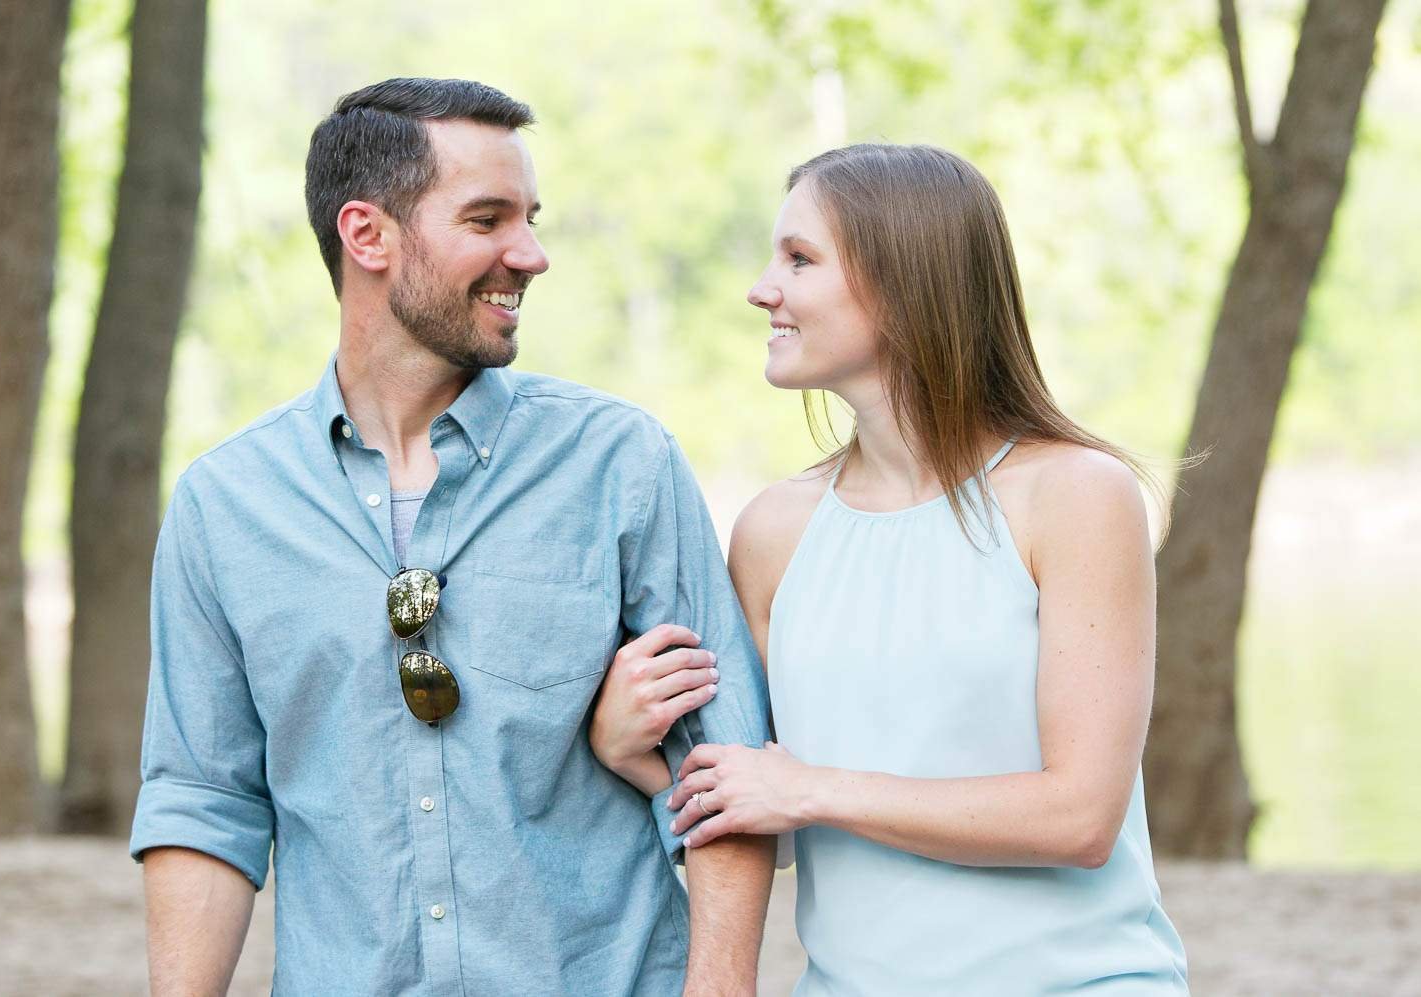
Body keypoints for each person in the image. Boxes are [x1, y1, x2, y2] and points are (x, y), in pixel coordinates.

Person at [130, 78, 777, 996]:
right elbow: (205, 803)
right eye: (487, 220)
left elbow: (729, 768)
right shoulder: (225, 504)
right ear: (368, 236)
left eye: (532, 218)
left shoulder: (619, 463)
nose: (533, 254)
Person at [590, 144, 1190, 994]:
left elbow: (1080, 816)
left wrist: (811, 788)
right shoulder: (774, 532)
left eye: (800, 259)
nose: (763, 288)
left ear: (905, 280)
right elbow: (782, 822)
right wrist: (635, 757)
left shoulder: (1075, 496)